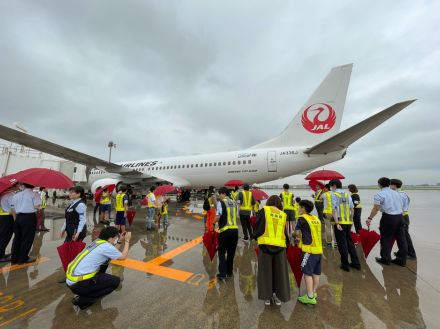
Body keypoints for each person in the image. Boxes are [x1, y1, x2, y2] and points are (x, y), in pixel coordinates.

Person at [66, 227, 131, 310]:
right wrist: (127, 241)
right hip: (78, 284)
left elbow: (112, 251)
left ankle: (86, 292)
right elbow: (123, 256)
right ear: (111, 238)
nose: (116, 239)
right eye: (115, 237)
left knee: (104, 265)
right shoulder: (106, 246)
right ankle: (84, 300)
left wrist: (119, 241)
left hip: (71, 281)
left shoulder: (97, 242)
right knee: (115, 281)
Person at [254, 195, 290, 306]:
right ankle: (278, 297)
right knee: (280, 273)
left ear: (268, 202)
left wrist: (256, 237)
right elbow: (285, 233)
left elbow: (258, 228)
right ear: (279, 203)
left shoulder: (263, 210)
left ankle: (267, 298)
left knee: (265, 273)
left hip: (265, 246)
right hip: (280, 247)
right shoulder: (283, 214)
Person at [366, 177, 407, 266]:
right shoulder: (397, 193)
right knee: (401, 239)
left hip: (389, 218)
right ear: (389, 184)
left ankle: (386, 259)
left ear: (379, 184)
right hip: (400, 217)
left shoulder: (380, 194)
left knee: (385, 238)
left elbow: (376, 208)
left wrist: (370, 218)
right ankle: (402, 260)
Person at [295, 200, 323, 305]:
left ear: (303, 208)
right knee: (316, 272)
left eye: (299, 207)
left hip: (308, 251)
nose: (298, 209)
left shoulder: (302, 218)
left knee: (307, 273)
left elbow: (297, 233)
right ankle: (314, 292)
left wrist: (295, 237)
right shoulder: (316, 218)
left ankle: (310, 297)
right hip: (318, 250)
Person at [329, 179, 360, 272]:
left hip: (339, 222)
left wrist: (337, 223)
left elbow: (334, 210)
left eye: (331, 186)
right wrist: (351, 220)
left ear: (334, 186)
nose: (331, 188)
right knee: (349, 242)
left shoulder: (334, 195)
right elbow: (352, 209)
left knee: (342, 244)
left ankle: (345, 264)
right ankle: (356, 263)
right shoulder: (347, 194)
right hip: (348, 222)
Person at [10, 183, 41, 264]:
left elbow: (13, 208)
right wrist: (37, 207)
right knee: (27, 238)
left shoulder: (17, 195)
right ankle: (22, 259)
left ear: (24, 185)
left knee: (17, 238)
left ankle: (14, 258)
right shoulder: (34, 194)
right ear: (33, 185)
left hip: (18, 216)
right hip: (29, 217)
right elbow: (38, 206)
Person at [213, 187, 239, 280]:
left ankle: (222, 273)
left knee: (222, 252)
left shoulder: (221, 202)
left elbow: (218, 216)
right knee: (231, 253)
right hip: (235, 231)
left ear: (223, 193)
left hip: (224, 231)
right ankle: (229, 272)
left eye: (219, 194)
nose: (219, 196)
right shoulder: (234, 202)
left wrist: (213, 223)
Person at [390, 179, 416, 259]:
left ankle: (411, 254)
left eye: (390, 185)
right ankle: (402, 251)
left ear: (394, 185)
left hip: (401, 217)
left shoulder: (399, 195)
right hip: (403, 216)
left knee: (404, 236)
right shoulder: (403, 194)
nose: (389, 187)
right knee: (401, 236)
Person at [0, 186, 17, 262]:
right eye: (16, 185)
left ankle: (2, 254)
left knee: (2, 236)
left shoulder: (2, 194)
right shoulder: (10, 195)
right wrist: (16, 220)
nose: (18, 187)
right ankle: (1, 256)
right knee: (5, 237)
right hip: (7, 218)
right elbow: (13, 210)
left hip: (2, 217)